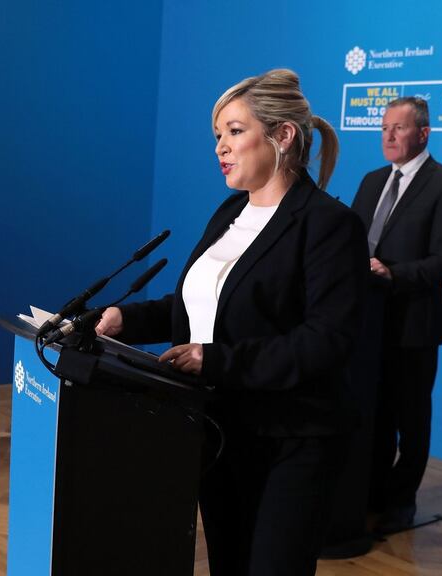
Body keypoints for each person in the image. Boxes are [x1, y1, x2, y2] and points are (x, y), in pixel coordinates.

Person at [96, 69, 368, 575]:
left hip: (291, 439)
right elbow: (201, 308)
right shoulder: (229, 212)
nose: (220, 147)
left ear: (283, 135)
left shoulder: (329, 224)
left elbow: (326, 340)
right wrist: (122, 320)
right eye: (217, 136)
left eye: (235, 132)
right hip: (217, 427)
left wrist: (214, 359)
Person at [351, 96, 442, 532]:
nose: (388, 135)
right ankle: (370, 493)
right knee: (374, 415)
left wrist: (392, 273)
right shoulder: (370, 181)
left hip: (413, 325)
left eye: (398, 128)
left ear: (423, 133)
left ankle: (401, 503)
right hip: (367, 325)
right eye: (384, 127)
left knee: (411, 419)